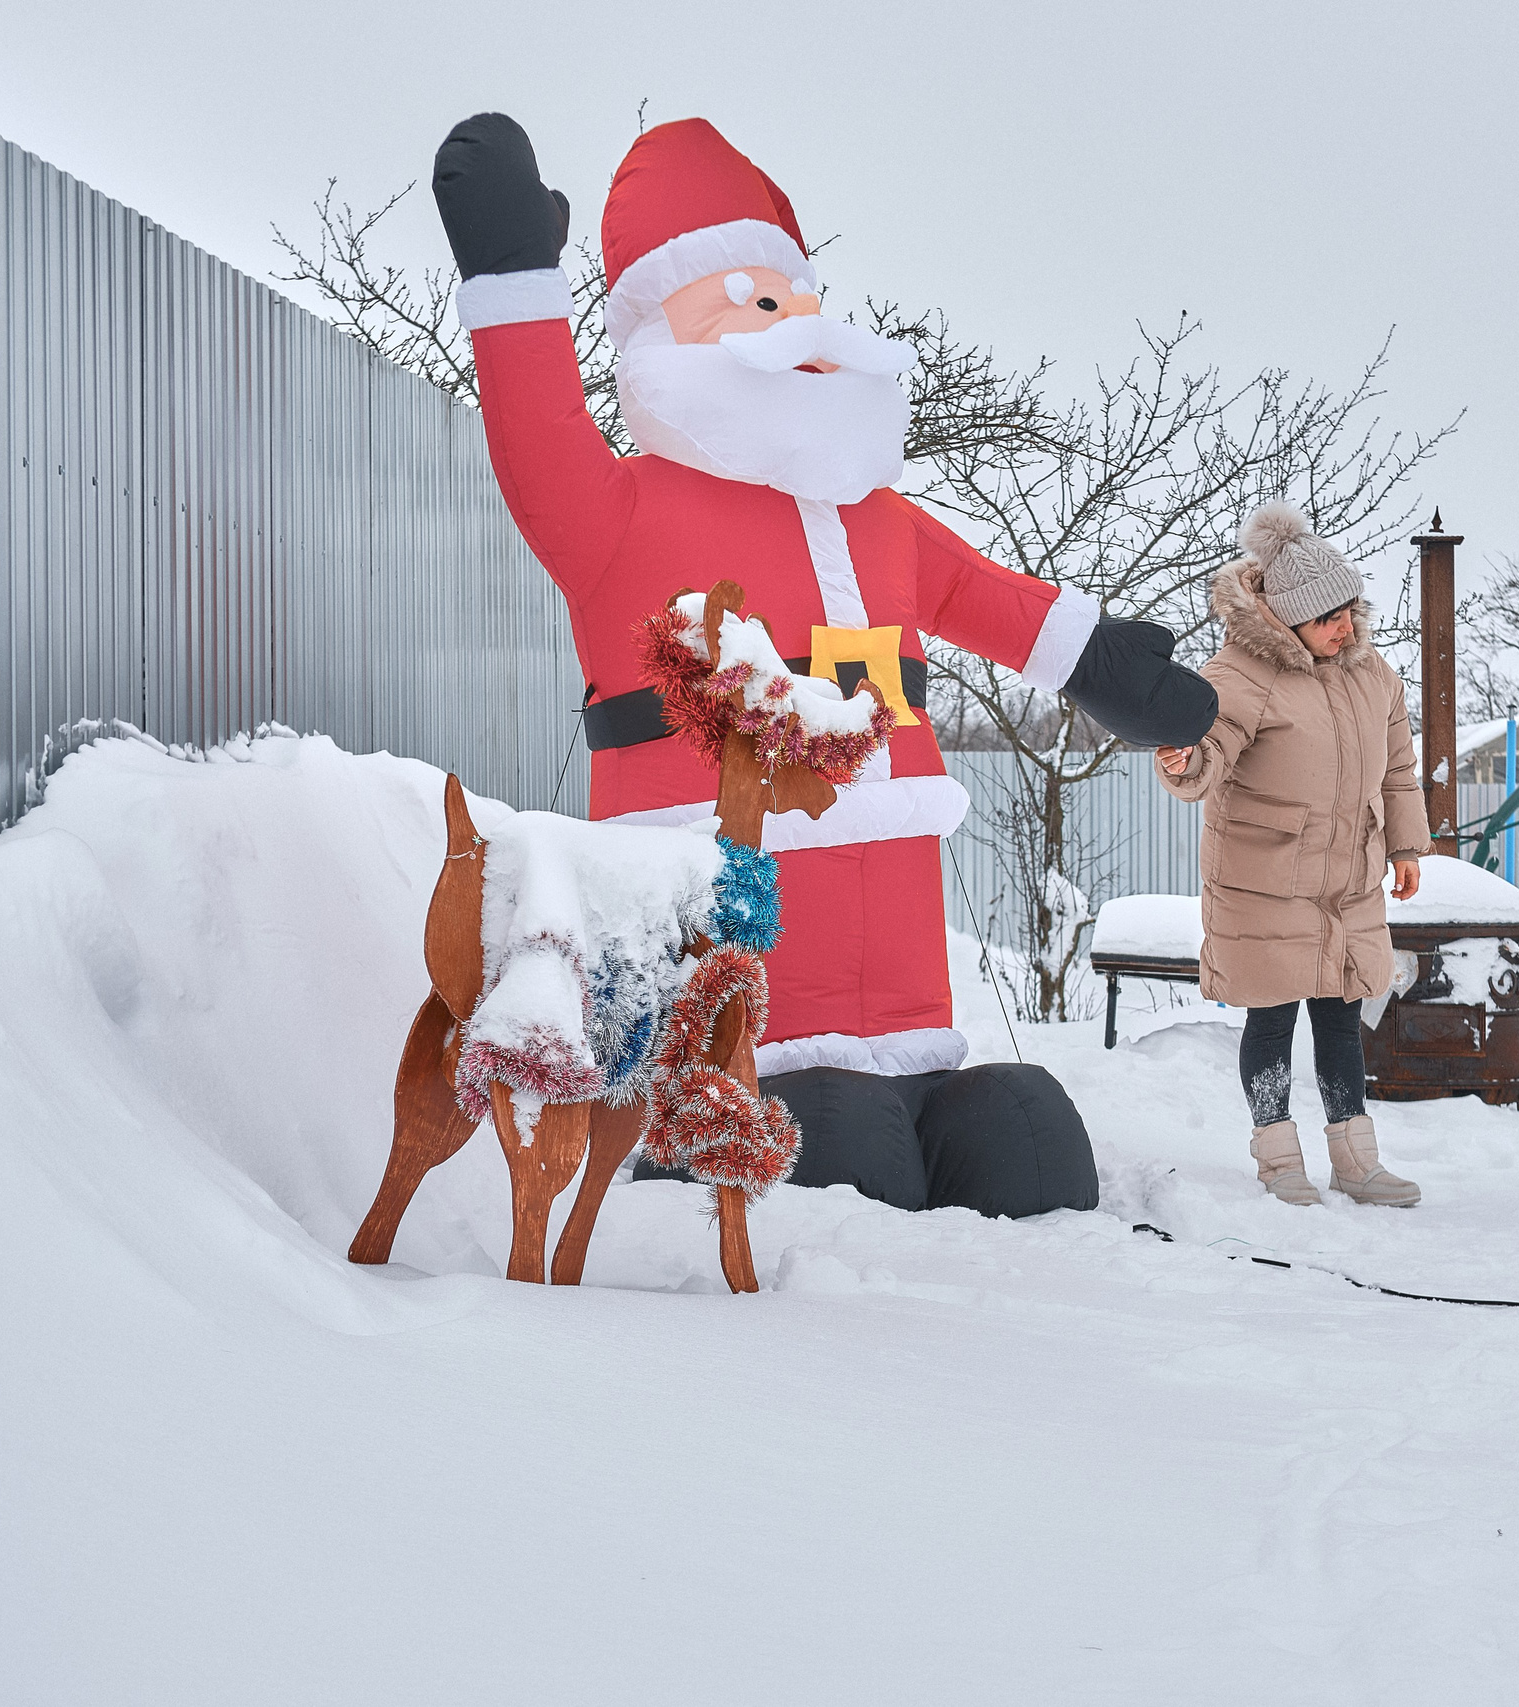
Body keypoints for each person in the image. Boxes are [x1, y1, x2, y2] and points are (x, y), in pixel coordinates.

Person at [429, 113, 1216, 1218]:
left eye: (794, 298)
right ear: (658, 337)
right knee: (829, 1125)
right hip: (727, 942)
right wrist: (514, 281)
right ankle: (709, 1122)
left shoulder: (879, 520)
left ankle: (930, 1098)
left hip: (901, 966)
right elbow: (540, 435)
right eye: (747, 302)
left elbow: (995, 600)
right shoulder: (621, 515)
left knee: (1015, 1133)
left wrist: (1111, 665)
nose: (790, 325)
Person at [1155, 503, 1430, 1207]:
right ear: (1286, 617)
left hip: (1348, 882)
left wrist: (1405, 845)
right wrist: (1184, 759)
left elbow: (1399, 769)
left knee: (1341, 1017)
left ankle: (1356, 1162)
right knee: (1273, 1018)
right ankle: (1279, 1160)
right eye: (1329, 618)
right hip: (1265, 881)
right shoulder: (1239, 675)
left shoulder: (1374, 676)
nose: (1346, 628)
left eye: (1350, 612)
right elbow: (1208, 751)